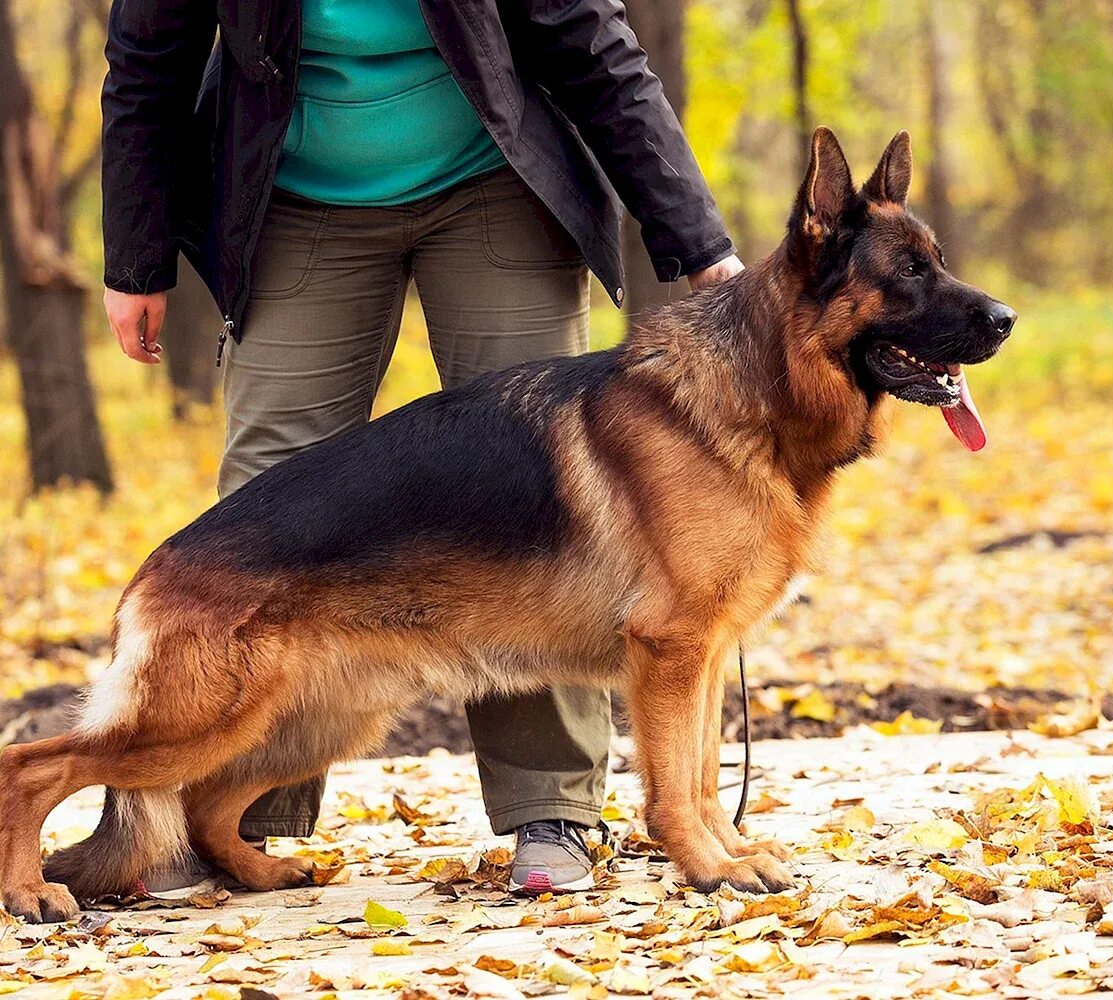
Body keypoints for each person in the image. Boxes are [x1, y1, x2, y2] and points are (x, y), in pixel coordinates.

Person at [100, 0, 743, 894]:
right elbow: (147, 64)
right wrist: (135, 261)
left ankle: (548, 810)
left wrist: (700, 243)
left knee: (543, 493)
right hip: (290, 199)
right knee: (269, 479)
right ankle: (235, 814)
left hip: (494, 184)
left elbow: (595, 46)